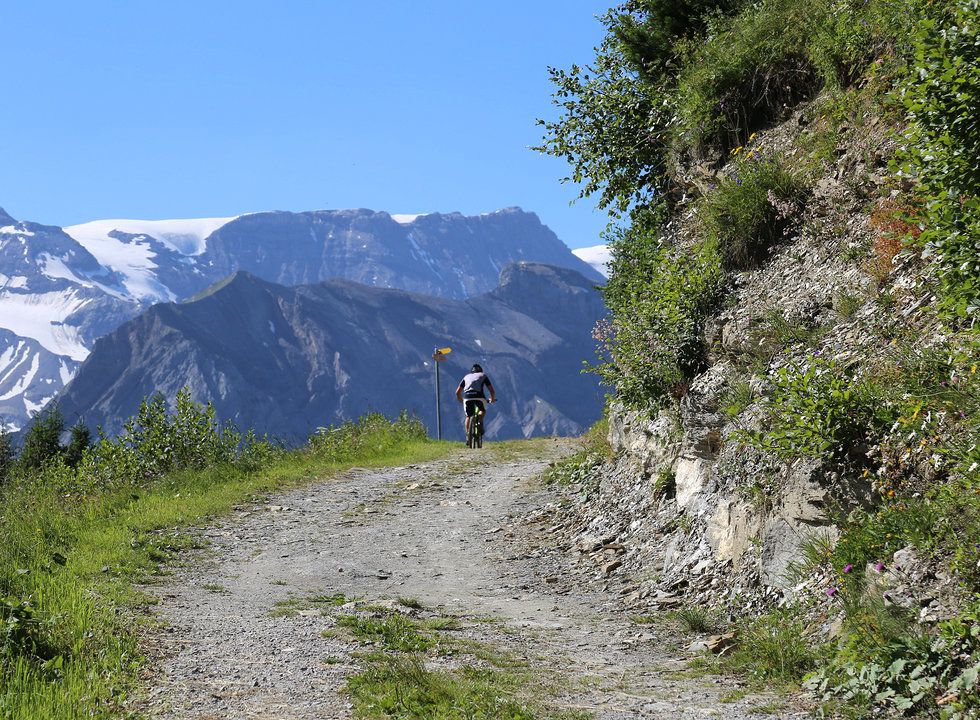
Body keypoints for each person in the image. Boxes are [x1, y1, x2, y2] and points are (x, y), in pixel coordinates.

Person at [456, 363, 496, 443]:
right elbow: (491, 390)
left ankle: (468, 435)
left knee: (468, 416)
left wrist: (462, 400)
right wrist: (492, 399)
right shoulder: (483, 375)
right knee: (482, 410)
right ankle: (480, 422)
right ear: (480, 371)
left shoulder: (466, 377)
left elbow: (457, 392)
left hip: (467, 397)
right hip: (479, 396)